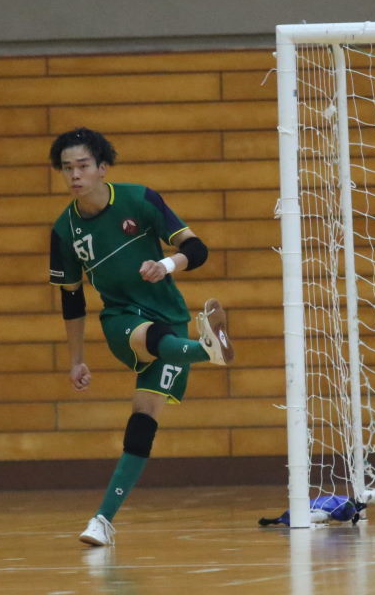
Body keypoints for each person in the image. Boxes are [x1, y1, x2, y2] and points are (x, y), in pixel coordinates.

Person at [48, 127, 235, 547]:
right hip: (119, 318)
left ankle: (102, 520)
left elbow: (198, 249)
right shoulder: (64, 230)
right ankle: (206, 350)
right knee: (149, 338)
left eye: (82, 166)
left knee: (143, 421)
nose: (74, 175)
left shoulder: (140, 200)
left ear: (102, 168)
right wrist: (76, 358)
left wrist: (167, 265)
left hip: (169, 312)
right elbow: (72, 302)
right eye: (66, 169)